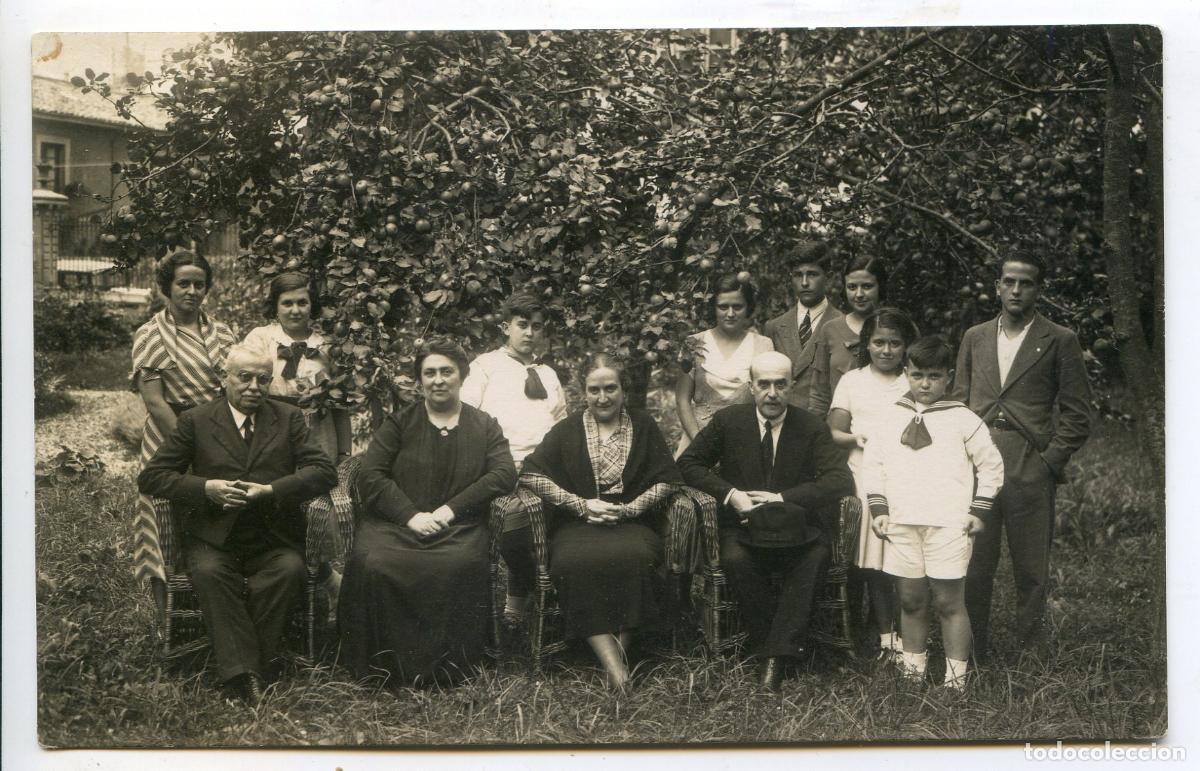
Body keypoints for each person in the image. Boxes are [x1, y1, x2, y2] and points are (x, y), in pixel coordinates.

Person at [137, 345, 337, 703]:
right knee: (211, 574)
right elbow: (152, 477)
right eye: (244, 377)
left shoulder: (288, 417)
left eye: (263, 379)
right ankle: (246, 675)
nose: (254, 387)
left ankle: (241, 669)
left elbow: (324, 471)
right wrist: (206, 489)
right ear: (224, 379)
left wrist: (273, 490)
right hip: (212, 539)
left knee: (290, 570)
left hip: (272, 537)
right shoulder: (196, 420)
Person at [339, 337, 516, 688]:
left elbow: (503, 473)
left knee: (458, 564)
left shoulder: (485, 425)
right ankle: (381, 667)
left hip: (458, 527)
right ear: (420, 379)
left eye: (446, 372)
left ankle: (447, 669)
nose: (438, 380)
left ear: (461, 376)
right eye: (429, 372)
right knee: (374, 562)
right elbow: (371, 474)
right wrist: (409, 515)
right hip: (396, 525)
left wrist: (450, 510)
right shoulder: (399, 423)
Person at [678, 351, 854, 692]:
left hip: (799, 529)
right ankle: (780, 651)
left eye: (780, 384)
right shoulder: (729, 421)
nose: (772, 393)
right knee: (734, 559)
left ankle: (771, 657)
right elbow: (690, 463)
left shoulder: (811, 427)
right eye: (764, 384)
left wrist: (784, 498)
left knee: (815, 557)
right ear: (751, 386)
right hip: (744, 528)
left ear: (792, 385)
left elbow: (840, 480)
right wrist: (731, 494)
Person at [954, 251, 1093, 663]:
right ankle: (971, 652)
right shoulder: (975, 336)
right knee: (974, 564)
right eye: (1009, 281)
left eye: (1026, 283)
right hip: (977, 463)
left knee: (1031, 568)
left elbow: (1077, 413)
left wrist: (1050, 460)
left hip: (1028, 463)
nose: (1016, 290)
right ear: (997, 285)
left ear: (1039, 289)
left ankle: (1030, 654)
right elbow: (958, 402)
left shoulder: (1059, 339)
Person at [519, 353, 684, 689]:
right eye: (595, 390)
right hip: (578, 524)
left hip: (631, 522)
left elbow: (668, 479)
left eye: (611, 388)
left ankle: (615, 667)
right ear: (585, 393)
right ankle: (618, 669)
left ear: (623, 391)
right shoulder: (567, 430)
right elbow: (530, 475)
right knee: (573, 560)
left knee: (636, 558)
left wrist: (631, 509)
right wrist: (581, 505)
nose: (603, 397)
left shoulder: (644, 425)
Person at [862, 336, 1004, 689]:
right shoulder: (890, 416)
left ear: (949, 377)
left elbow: (991, 466)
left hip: (948, 524)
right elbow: (873, 464)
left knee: (948, 601)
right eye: (918, 375)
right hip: (902, 522)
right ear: (906, 373)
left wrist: (978, 510)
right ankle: (913, 674)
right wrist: (880, 509)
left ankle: (955, 682)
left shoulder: (963, 419)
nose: (925, 385)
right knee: (910, 599)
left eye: (934, 377)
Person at [242, 272, 353, 613]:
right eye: (286, 303)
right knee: (276, 505)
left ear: (312, 305)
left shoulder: (327, 346)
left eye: (302, 302)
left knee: (315, 508)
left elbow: (339, 403)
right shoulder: (260, 339)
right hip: (272, 432)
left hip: (316, 434)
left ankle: (323, 579)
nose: (295, 310)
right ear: (274, 306)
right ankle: (299, 586)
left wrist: (344, 450)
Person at [131, 251, 237, 607]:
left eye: (199, 284)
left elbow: (233, 388)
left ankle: (212, 598)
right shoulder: (149, 335)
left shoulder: (222, 332)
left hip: (218, 430)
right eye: (183, 283)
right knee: (161, 511)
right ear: (167, 287)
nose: (192, 291)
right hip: (169, 435)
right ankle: (167, 612)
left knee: (218, 505)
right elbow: (155, 401)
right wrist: (189, 444)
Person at [460, 291, 567, 627]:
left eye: (536, 326)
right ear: (506, 326)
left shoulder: (548, 374)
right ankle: (516, 602)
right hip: (501, 468)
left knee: (560, 526)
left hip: (547, 470)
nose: (530, 333)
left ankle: (552, 601)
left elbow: (562, 425)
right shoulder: (485, 367)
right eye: (522, 325)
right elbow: (467, 420)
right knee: (513, 528)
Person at [826, 307, 919, 660]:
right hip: (863, 476)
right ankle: (882, 638)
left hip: (905, 477)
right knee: (871, 564)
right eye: (879, 342)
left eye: (895, 343)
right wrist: (856, 438)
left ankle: (905, 634)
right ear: (867, 344)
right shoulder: (853, 381)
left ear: (905, 346)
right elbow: (834, 431)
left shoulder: (911, 381)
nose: (886, 350)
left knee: (901, 562)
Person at [674, 273, 774, 457]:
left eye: (737, 307)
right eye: (723, 307)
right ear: (714, 307)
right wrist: (700, 443)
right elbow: (682, 400)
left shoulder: (764, 345)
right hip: (697, 441)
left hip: (746, 443)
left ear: (748, 308)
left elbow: (767, 398)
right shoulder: (693, 343)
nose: (730, 313)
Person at [764, 239, 843, 412]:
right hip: (783, 426)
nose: (805, 282)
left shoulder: (843, 325)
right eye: (798, 275)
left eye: (812, 274)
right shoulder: (774, 327)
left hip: (825, 428)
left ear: (828, 277)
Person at [810, 254, 888, 416]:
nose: (859, 294)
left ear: (880, 286)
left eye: (867, 286)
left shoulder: (898, 327)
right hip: (840, 429)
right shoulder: (830, 329)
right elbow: (820, 394)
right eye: (852, 287)